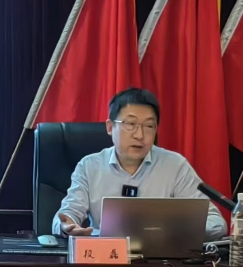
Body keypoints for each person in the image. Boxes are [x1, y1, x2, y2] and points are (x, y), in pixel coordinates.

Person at [53, 88, 227, 241]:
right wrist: (66, 226)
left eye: (149, 126)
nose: (140, 135)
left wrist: (175, 232)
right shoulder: (90, 166)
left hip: (161, 261)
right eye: (130, 124)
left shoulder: (175, 166)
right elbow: (67, 215)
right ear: (110, 127)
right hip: (106, 259)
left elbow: (216, 222)